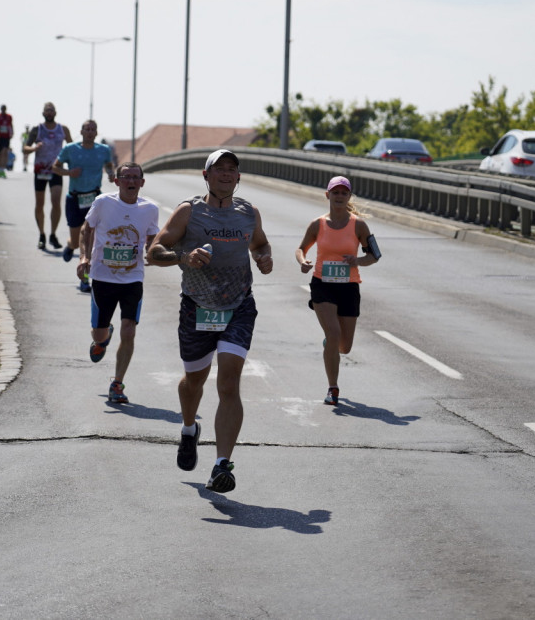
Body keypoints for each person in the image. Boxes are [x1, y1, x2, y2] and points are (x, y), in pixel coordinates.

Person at [148, 149, 273, 494]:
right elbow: (154, 252)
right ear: (206, 175)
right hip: (197, 307)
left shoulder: (249, 213)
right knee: (193, 381)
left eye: (232, 170)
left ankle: (222, 465)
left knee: (229, 383)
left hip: (238, 306)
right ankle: (189, 428)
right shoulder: (189, 211)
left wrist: (264, 258)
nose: (226, 174)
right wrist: (183, 257)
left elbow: (260, 244)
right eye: (219, 169)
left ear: (238, 177)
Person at [76, 162, 159, 404]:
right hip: (103, 277)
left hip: (133, 278)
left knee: (129, 330)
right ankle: (103, 336)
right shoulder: (103, 203)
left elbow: (153, 235)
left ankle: (117, 383)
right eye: (126, 177)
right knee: (99, 334)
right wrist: (84, 257)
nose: (131, 182)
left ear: (142, 182)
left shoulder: (150, 208)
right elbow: (86, 229)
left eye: (135, 178)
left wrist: (153, 251)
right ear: (117, 181)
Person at [295, 176, 380, 406]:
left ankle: (329, 345)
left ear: (349, 197)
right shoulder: (318, 224)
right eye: (336, 192)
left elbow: (375, 256)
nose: (339, 196)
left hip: (348, 286)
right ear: (327, 195)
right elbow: (301, 248)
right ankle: (333, 389)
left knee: (344, 346)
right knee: (333, 333)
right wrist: (303, 262)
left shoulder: (359, 225)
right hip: (322, 284)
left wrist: (358, 261)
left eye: (344, 193)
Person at [52, 119, 116, 290]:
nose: (89, 132)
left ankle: (85, 278)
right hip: (74, 198)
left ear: (96, 133)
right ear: (81, 132)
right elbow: (55, 167)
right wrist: (69, 172)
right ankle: (70, 245)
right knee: (76, 240)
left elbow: (109, 165)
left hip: (94, 198)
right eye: (86, 129)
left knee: (89, 239)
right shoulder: (70, 149)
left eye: (93, 129)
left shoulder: (103, 150)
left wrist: (111, 173)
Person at [23, 103, 72, 250]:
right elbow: (25, 148)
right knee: (40, 204)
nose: (49, 113)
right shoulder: (37, 129)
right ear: (43, 113)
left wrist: (73, 164)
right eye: (47, 110)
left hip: (56, 170)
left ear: (55, 112)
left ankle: (53, 234)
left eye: (51, 110)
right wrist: (34, 148)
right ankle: (42, 234)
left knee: (56, 202)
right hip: (40, 170)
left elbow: (71, 147)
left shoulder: (63, 129)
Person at [0, 104, 14, 171]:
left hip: (6, 137)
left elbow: (11, 125)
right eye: (2, 109)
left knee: (5, 151)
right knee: (0, 152)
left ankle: (3, 167)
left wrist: (12, 133)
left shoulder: (9, 116)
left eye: (4, 109)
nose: (3, 110)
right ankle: (0, 166)